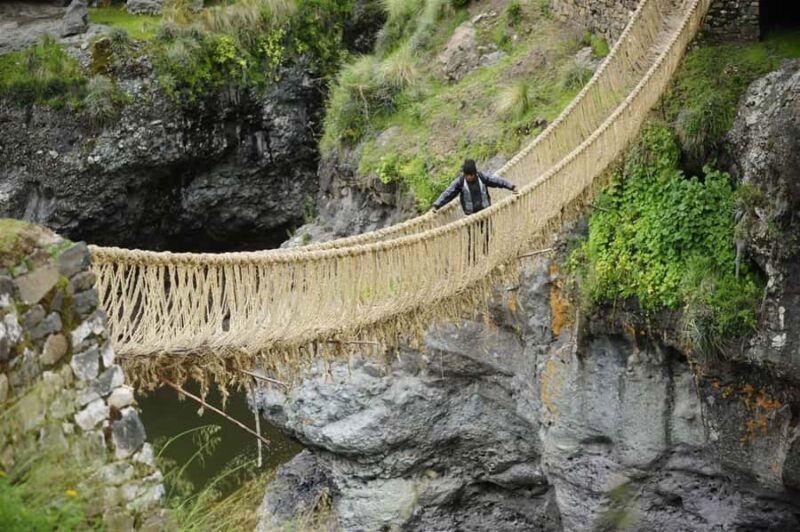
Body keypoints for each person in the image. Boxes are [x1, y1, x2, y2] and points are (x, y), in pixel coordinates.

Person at [431, 159, 517, 215]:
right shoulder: (460, 182)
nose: (469, 177)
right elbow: (448, 193)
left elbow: (497, 181)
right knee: (473, 240)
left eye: (471, 175)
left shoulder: (482, 177)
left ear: (475, 173)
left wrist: (511, 187)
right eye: (467, 175)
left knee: (487, 237)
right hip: (470, 217)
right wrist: (437, 205)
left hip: (486, 212)